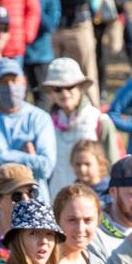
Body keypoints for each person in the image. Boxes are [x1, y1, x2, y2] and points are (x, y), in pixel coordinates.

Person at [0, 59, 57, 229]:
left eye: (14, 81)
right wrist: (27, 159)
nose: (10, 87)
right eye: (4, 82)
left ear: (24, 82)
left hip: (34, 216)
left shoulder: (39, 119)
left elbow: (45, 167)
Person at [41, 57, 119, 198]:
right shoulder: (45, 123)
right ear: (50, 92)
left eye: (70, 87)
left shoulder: (99, 120)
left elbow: (114, 164)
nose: (64, 93)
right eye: (58, 89)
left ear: (81, 87)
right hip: (56, 197)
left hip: (94, 198)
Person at [24, 0, 62, 98]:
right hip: (22, 55)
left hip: (41, 56)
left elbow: (50, 26)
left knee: (42, 98)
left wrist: (34, 6)